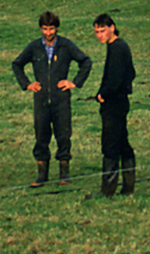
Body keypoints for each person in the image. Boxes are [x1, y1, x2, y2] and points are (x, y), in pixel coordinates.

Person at [11, 10, 92, 187]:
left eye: (52, 29)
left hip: (61, 99)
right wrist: (26, 84)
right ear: (41, 29)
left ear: (57, 28)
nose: (48, 33)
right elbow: (17, 64)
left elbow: (86, 61)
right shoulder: (34, 47)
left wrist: (75, 82)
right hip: (40, 100)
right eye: (45, 29)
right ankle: (42, 175)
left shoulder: (66, 46)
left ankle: (64, 174)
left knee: (63, 135)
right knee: (41, 135)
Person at [89, 12, 137, 198]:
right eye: (97, 32)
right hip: (120, 101)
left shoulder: (117, 48)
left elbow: (116, 78)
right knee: (122, 142)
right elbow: (131, 73)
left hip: (114, 103)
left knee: (110, 144)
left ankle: (107, 190)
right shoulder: (118, 46)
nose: (100, 35)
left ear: (112, 28)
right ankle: (128, 186)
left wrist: (103, 93)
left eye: (102, 30)